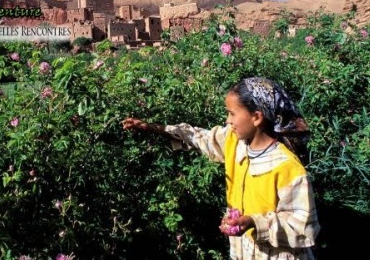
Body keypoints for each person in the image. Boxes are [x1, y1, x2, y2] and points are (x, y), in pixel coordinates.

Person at [122, 77, 320, 259]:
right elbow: (200, 138)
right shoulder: (235, 143)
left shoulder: (287, 168)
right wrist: (155, 129)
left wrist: (254, 222)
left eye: (232, 113)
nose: (228, 120)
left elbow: (304, 228)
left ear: (257, 117)